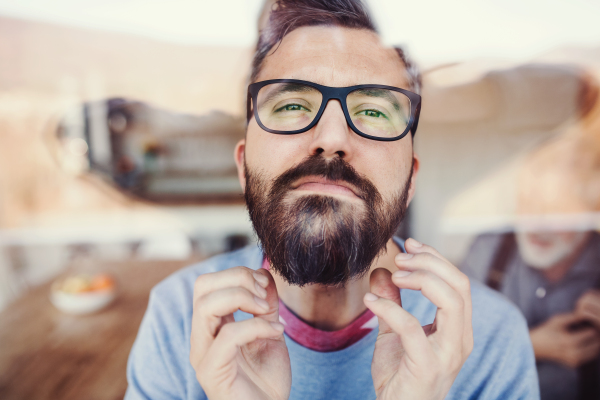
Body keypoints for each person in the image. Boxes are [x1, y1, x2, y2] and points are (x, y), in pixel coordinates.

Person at [125, 1, 539, 399]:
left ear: (410, 181)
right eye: (291, 105)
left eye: (374, 112)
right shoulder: (182, 317)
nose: (332, 139)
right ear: (243, 166)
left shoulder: (484, 338)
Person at [462, 93, 600, 400]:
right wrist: (531, 343)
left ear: (590, 212)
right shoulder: (488, 250)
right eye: (527, 203)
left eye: (556, 210)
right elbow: (448, 349)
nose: (537, 223)